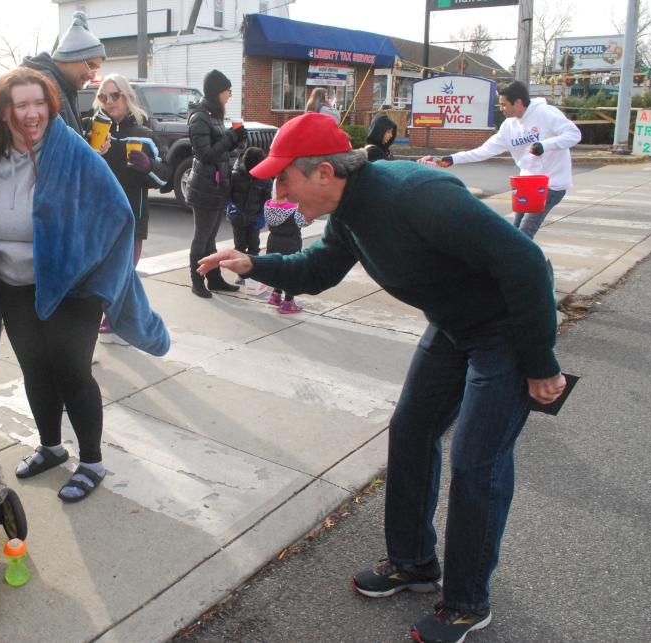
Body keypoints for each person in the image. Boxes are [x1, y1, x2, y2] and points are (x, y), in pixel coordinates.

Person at [197, 112, 566, 643]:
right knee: (411, 432)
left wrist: (540, 363)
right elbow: (318, 270)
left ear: (324, 172)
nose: (279, 190)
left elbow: (527, 264)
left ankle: (466, 602)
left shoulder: (416, 195)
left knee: (476, 464)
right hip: (452, 325)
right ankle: (413, 562)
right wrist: (253, 265)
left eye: (285, 178)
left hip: (504, 331)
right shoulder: (350, 211)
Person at [0, 68, 168, 503]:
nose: (32, 113)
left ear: (50, 106)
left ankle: (91, 461)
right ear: (4, 110)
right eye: (21, 104)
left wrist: (97, 277)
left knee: (71, 370)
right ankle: (50, 446)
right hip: (12, 282)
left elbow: (118, 215)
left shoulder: (72, 151)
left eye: (39, 103)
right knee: (35, 368)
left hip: (71, 286)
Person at [438, 81, 581, 239]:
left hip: (551, 183)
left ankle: (528, 263)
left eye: (504, 104)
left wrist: (544, 146)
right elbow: (485, 150)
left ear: (518, 102)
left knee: (524, 234)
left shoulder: (545, 113)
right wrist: (453, 159)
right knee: (516, 234)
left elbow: (574, 135)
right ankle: (522, 262)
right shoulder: (508, 126)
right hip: (527, 183)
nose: (501, 108)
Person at [85, 73, 170, 335]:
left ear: (127, 97)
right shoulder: (92, 130)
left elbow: (164, 179)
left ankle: (117, 319)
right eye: (103, 96)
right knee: (98, 273)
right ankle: (103, 317)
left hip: (132, 217)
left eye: (115, 95)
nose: (109, 101)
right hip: (99, 219)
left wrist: (148, 167)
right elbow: (81, 174)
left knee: (123, 273)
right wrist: (94, 153)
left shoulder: (144, 135)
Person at [186, 69, 248, 298]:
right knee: (202, 237)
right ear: (216, 92)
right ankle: (197, 280)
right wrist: (230, 138)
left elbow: (220, 151)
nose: (230, 94)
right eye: (227, 90)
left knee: (210, 237)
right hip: (204, 186)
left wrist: (237, 141)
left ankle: (214, 279)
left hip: (217, 184)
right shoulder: (200, 116)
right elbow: (206, 154)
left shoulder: (214, 114)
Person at [21, 10, 105, 136]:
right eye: (90, 65)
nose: (92, 75)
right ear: (71, 57)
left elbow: (63, 141)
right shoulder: (45, 87)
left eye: (96, 69)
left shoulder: (66, 86)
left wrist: (85, 141)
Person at [263, 182, 309, 314]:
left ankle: (276, 295)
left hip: (273, 242)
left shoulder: (269, 206)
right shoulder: (295, 209)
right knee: (291, 273)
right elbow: (304, 221)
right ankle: (288, 302)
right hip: (291, 244)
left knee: (278, 269)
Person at [228, 147, 272, 278]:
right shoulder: (235, 175)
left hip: (254, 218)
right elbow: (227, 195)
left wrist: (262, 216)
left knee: (254, 246)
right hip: (238, 218)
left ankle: (252, 274)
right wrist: (231, 208)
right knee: (239, 246)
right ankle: (240, 274)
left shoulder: (265, 178)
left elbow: (268, 199)